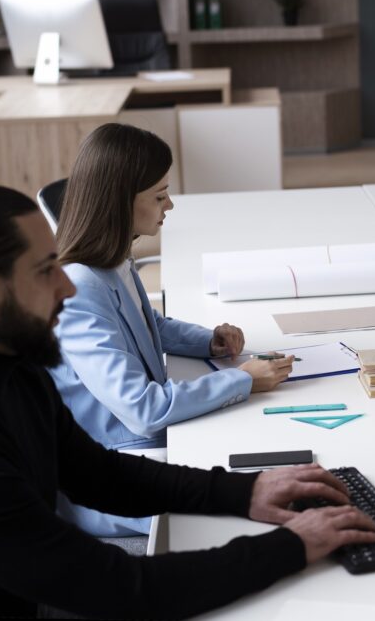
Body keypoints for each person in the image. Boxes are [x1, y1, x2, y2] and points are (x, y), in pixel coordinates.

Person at [0, 184, 375, 618]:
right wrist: (292, 545)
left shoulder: (9, 362)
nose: (68, 286)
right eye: (47, 271)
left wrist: (245, 491)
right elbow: (127, 589)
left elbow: (99, 474)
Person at [48, 123, 294, 535]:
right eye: (159, 196)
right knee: (261, 496)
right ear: (119, 202)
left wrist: (208, 342)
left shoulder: (111, 261)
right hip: (118, 475)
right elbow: (144, 410)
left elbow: (149, 324)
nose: (171, 205)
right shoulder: (80, 290)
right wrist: (240, 380)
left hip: (148, 451)